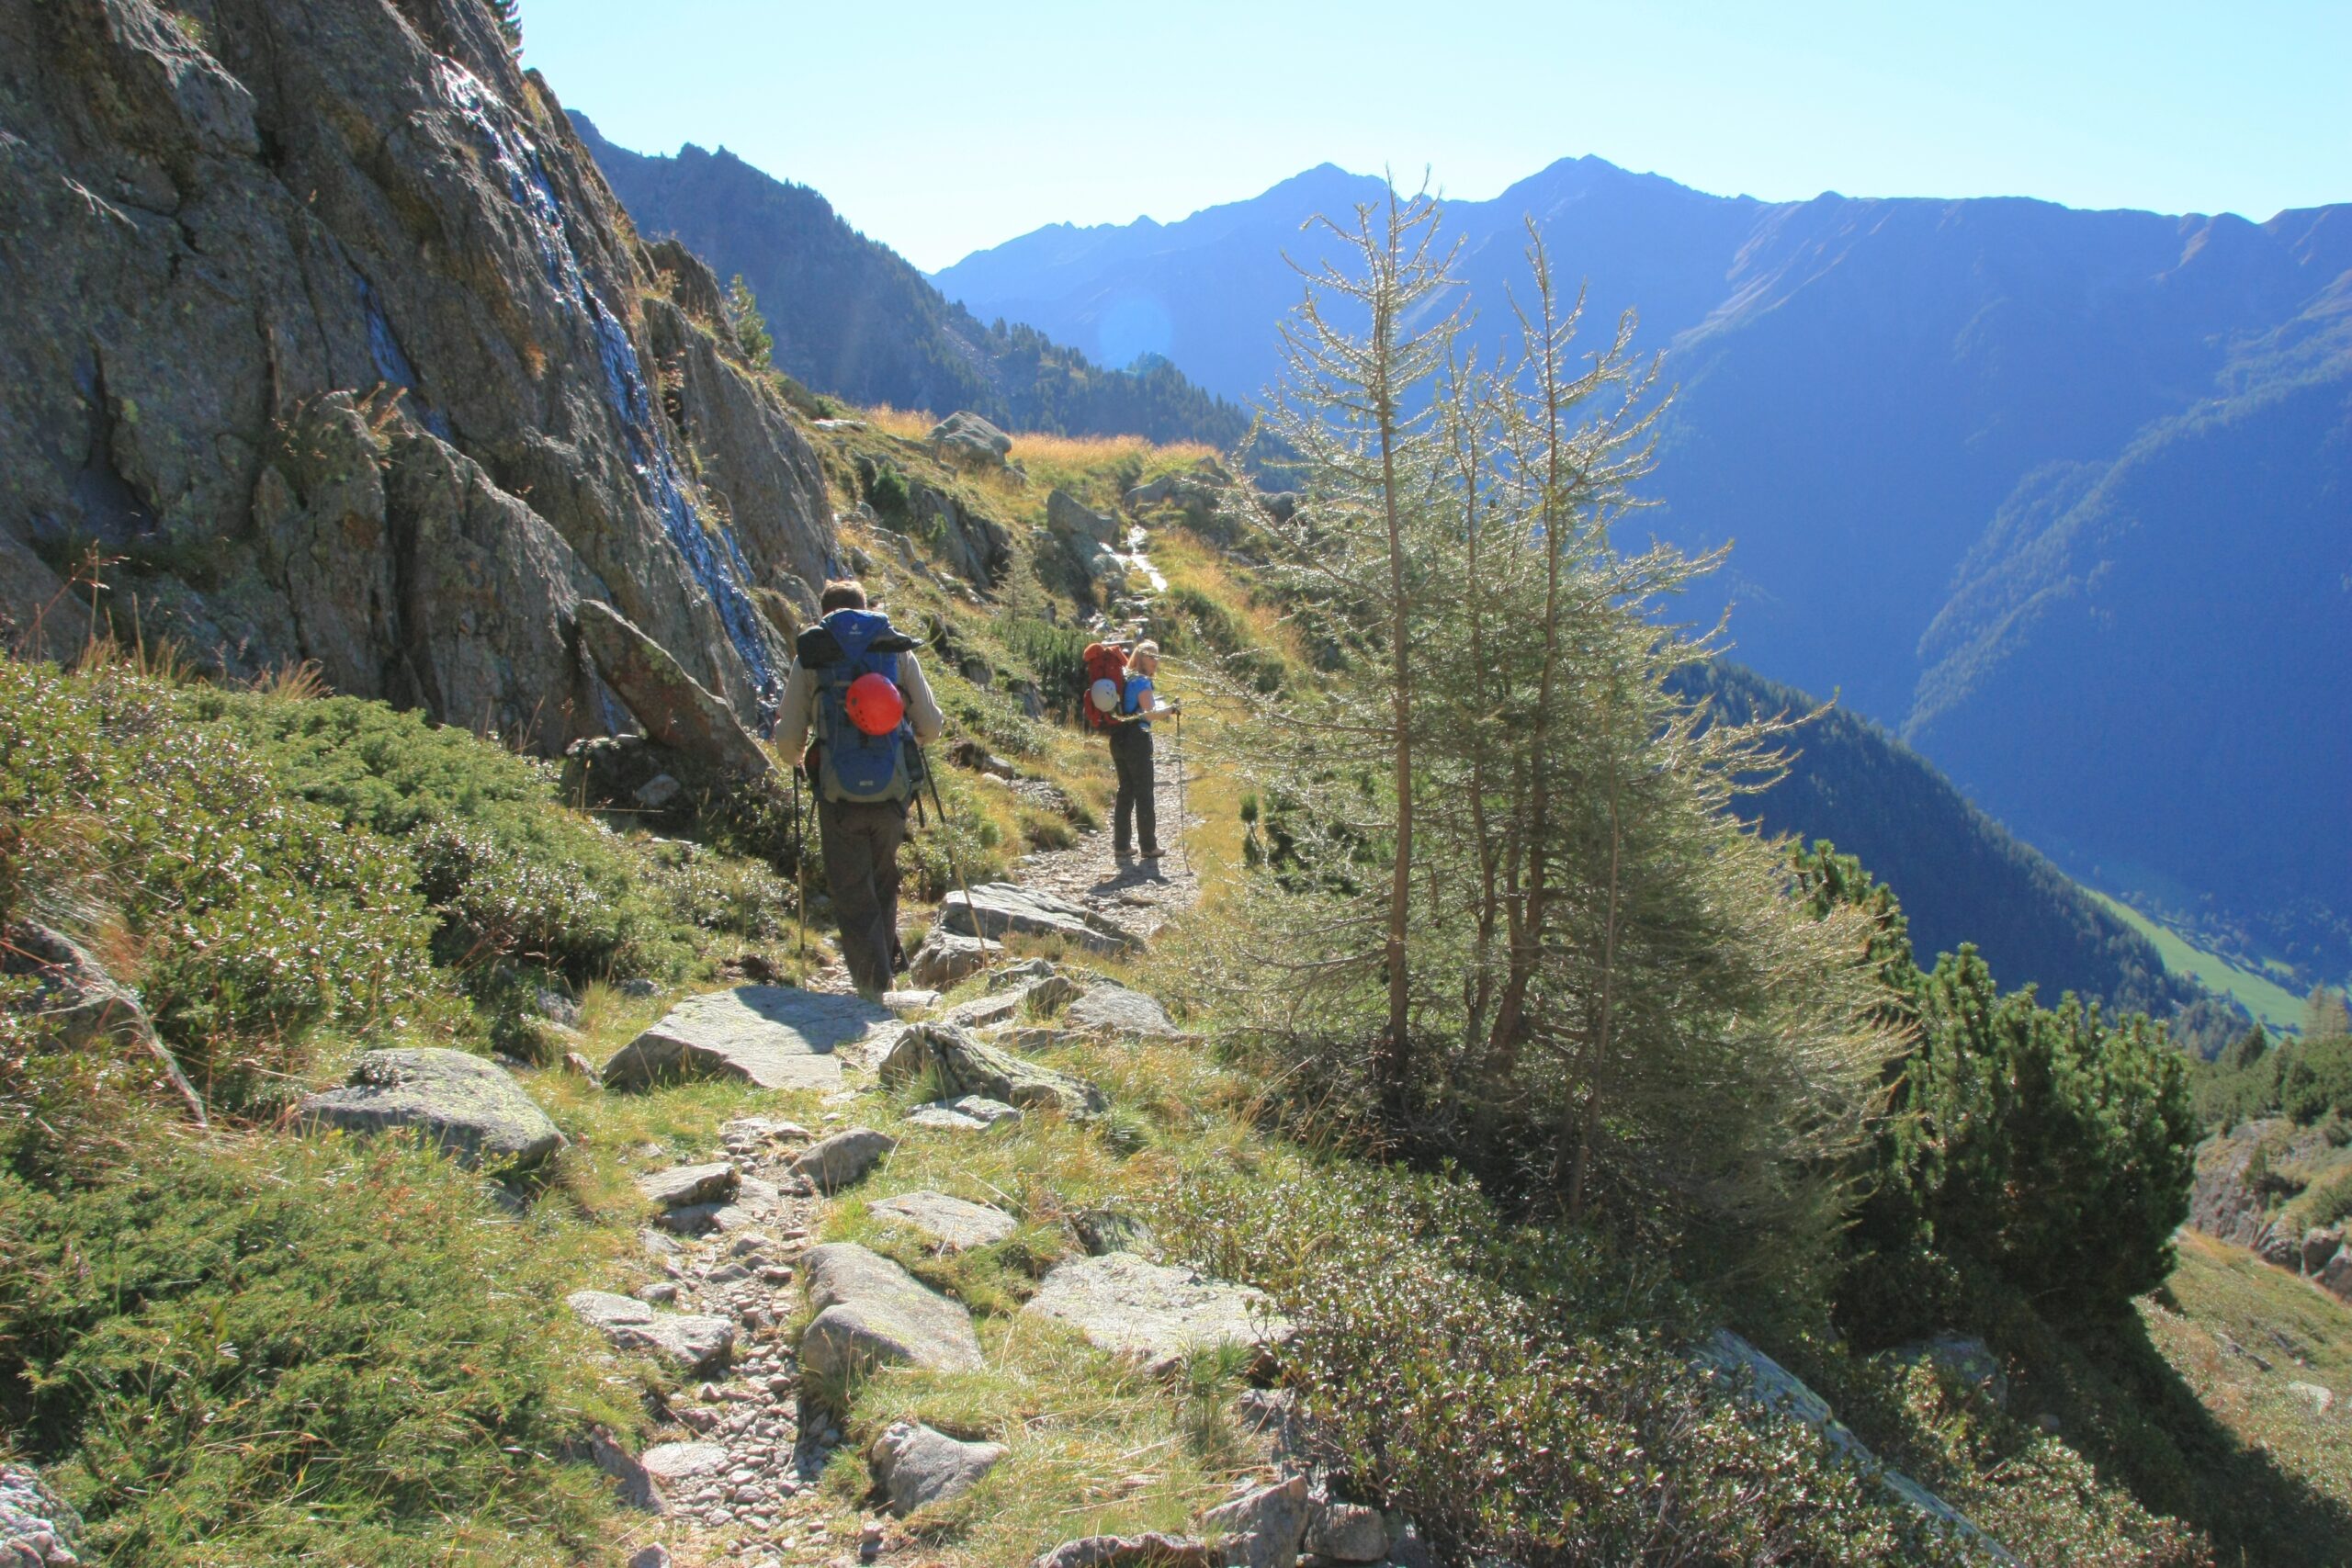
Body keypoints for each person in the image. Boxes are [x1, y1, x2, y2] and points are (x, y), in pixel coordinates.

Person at [775, 580, 944, 994]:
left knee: (852, 890)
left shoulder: (813, 653)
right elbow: (931, 725)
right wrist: (909, 741)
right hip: (892, 789)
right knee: (883, 879)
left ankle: (875, 987)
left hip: (838, 794)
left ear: (824, 613)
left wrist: (796, 757)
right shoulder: (894, 648)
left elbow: (788, 739)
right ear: (866, 608)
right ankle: (886, 972)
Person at [1110, 638, 1177, 862]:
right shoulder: (1142, 682)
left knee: (1125, 790)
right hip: (1137, 739)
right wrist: (1172, 709)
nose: (1155, 661)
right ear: (1142, 658)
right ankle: (1149, 846)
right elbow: (1149, 713)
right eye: (1151, 657)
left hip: (1118, 738)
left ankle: (1121, 846)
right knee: (1144, 792)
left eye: (1157, 656)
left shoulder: (1126, 678)